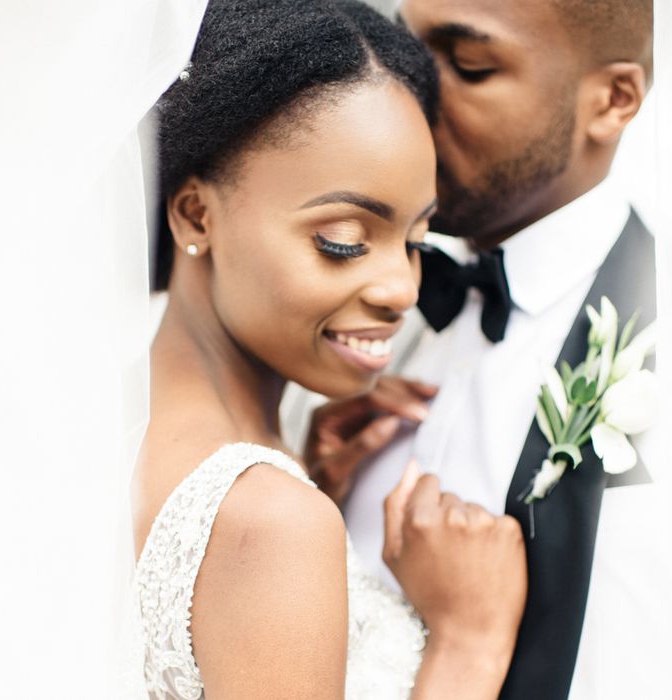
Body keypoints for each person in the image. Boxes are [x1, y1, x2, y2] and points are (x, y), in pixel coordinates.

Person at [131, 1, 527, 698]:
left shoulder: (111, 410)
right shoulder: (269, 520)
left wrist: (302, 465)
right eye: (343, 240)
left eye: (415, 242)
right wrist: (468, 647)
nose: (401, 289)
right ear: (197, 213)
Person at [286, 1, 665, 699]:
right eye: (405, 49)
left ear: (612, 101)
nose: (409, 90)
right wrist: (314, 501)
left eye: (469, 67)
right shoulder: (375, 293)